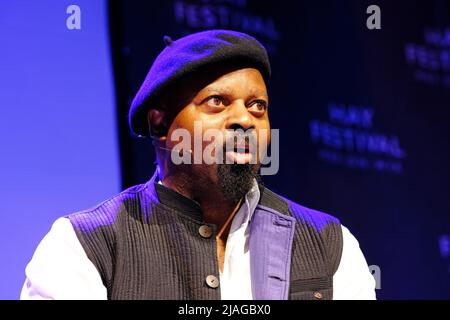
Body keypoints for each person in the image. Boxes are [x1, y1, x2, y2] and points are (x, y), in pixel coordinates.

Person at [21, 29, 376, 300]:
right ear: (160, 125)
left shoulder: (329, 243)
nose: (245, 120)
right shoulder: (83, 245)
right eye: (217, 102)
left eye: (257, 107)